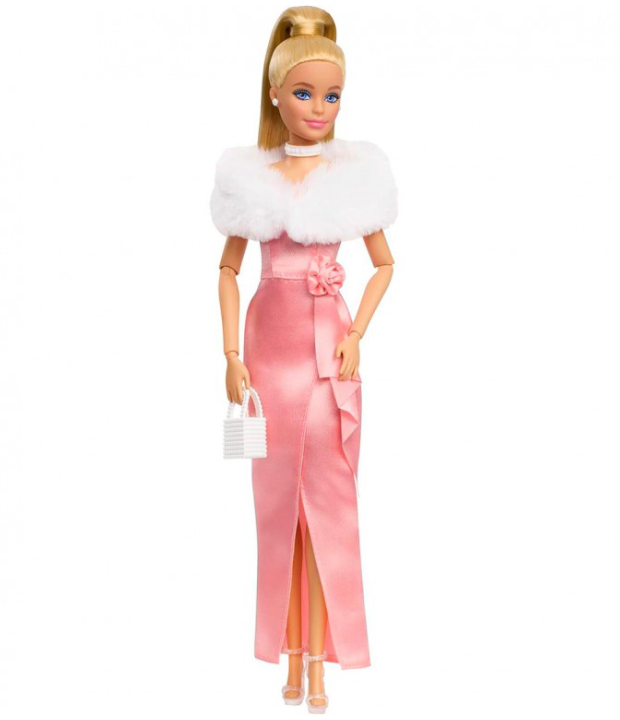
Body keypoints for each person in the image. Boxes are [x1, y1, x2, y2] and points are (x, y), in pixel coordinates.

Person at [212, 6, 399, 713]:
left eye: (331, 96)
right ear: (275, 94)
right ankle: (288, 656)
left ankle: (319, 663)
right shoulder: (249, 177)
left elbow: (385, 264)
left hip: (327, 359)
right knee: (276, 510)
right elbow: (227, 270)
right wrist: (230, 353)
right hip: (268, 356)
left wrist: (358, 335)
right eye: (304, 93)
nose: (318, 108)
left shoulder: (354, 177)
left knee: (326, 504)